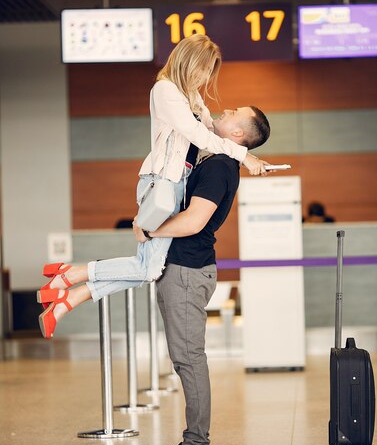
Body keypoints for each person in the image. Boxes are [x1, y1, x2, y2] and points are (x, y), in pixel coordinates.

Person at [38, 34, 267, 339]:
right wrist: (245, 155)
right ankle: (73, 277)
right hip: (161, 186)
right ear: (188, 61)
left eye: (210, 71)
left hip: (174, 186)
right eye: (203, 68)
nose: (205, 77)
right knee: (148, 269)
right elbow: (199, 136)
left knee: (148, 267)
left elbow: (212, 132)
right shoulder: (165, 90)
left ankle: (69, 297)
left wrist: (243, 150)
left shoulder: (191, 96)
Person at [134, 105, 271, 445]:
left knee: (189, 359)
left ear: (238, 134)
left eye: (233, 112)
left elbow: (194, 221)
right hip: (185, 268)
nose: (224, 109)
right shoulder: (218, 158)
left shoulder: (218, 167)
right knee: (186, 359)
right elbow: (196, 120)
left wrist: (149, 230)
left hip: (186, 270)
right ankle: (194, 442)